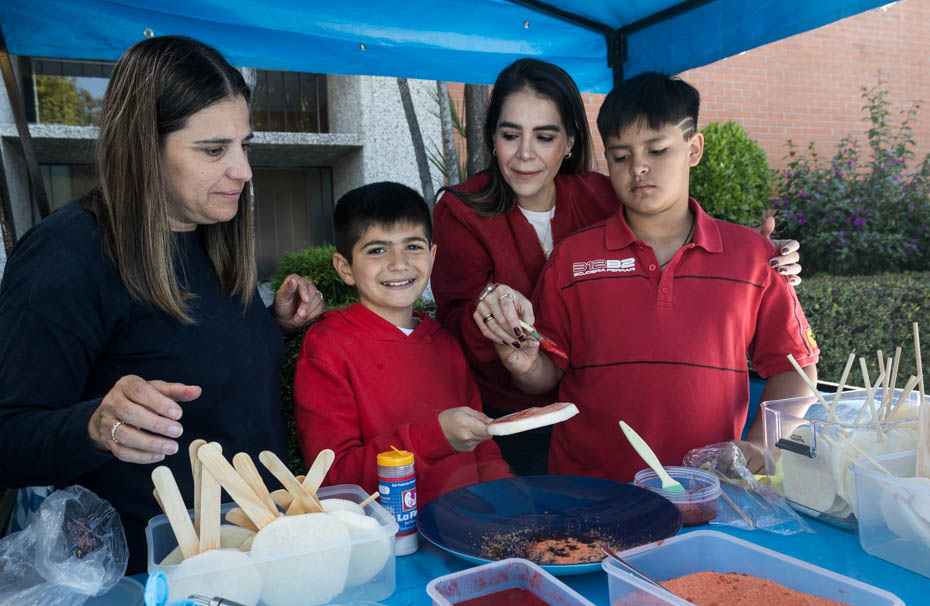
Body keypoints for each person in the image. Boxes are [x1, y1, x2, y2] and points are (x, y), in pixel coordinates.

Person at [0, 36, 325, 573]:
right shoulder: (65, 257)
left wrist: (272, 328)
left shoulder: (213, 231)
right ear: (144, 147)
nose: (243, 171)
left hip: (259, 553)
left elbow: (181, 352)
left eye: (245, 145)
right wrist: (94, 425)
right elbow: (9, 434)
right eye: (214, 150)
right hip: (145, 578)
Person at [431, 58, 802, 475]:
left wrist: (749, 250)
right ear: (493, 139)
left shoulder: (601, 192)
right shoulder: (465, 212)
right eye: (510, 134)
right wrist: (502, 331)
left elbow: (669, 214)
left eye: (545, 135)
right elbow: (464, 324)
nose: (525, 153)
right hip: (521, 417)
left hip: (699, 476)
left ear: (569, 142)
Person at [293, 182, 511, 506]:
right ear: (345, 268)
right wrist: (435, 438)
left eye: (413, 246)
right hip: (389, 544)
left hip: (469, 533)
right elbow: (334, 478)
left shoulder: (446, 343)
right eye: (378, 249)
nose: (399, 263)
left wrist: (513, 504)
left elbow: (483, 443)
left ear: (432, 255)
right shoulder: (327, 347)